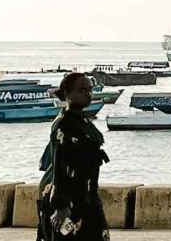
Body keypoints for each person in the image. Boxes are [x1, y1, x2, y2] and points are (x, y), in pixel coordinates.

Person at [37, 72, 110, 241]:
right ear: (67, 94)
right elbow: (58, 164)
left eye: (90, 90)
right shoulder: (64, 124)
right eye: (82, 90)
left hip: (86, 194)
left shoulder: (82, 120)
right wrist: (60, 205)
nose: (88, 94)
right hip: (69, 197)